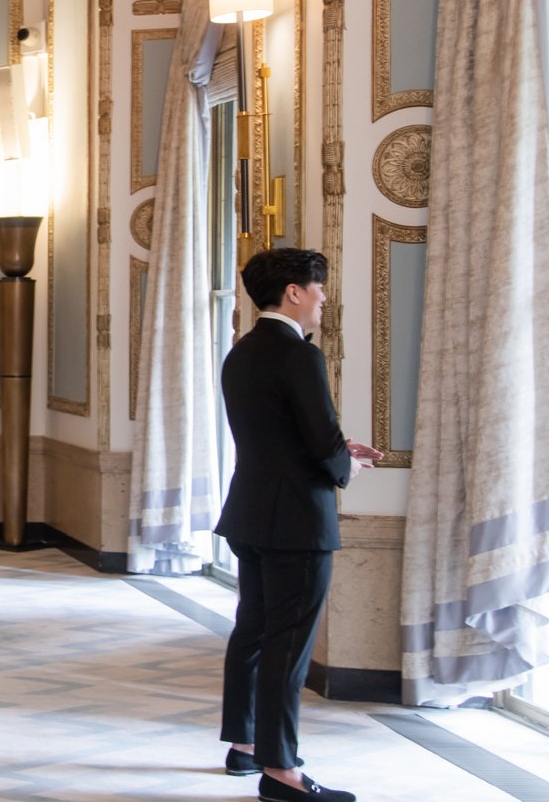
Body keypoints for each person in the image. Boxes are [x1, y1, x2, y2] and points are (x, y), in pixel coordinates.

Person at [215, 248, 382, 802]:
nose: (323, 298)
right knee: (289, 645)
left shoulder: (240, 353)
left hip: (250, 511)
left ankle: (243, 745)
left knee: (254, 633)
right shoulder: (299, 356)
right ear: (293, 291)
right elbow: (320, 441)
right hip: (296, 523)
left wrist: (335, 448)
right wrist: (347, 461)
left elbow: (276, 433)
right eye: (319, 288)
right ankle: (282, 772)